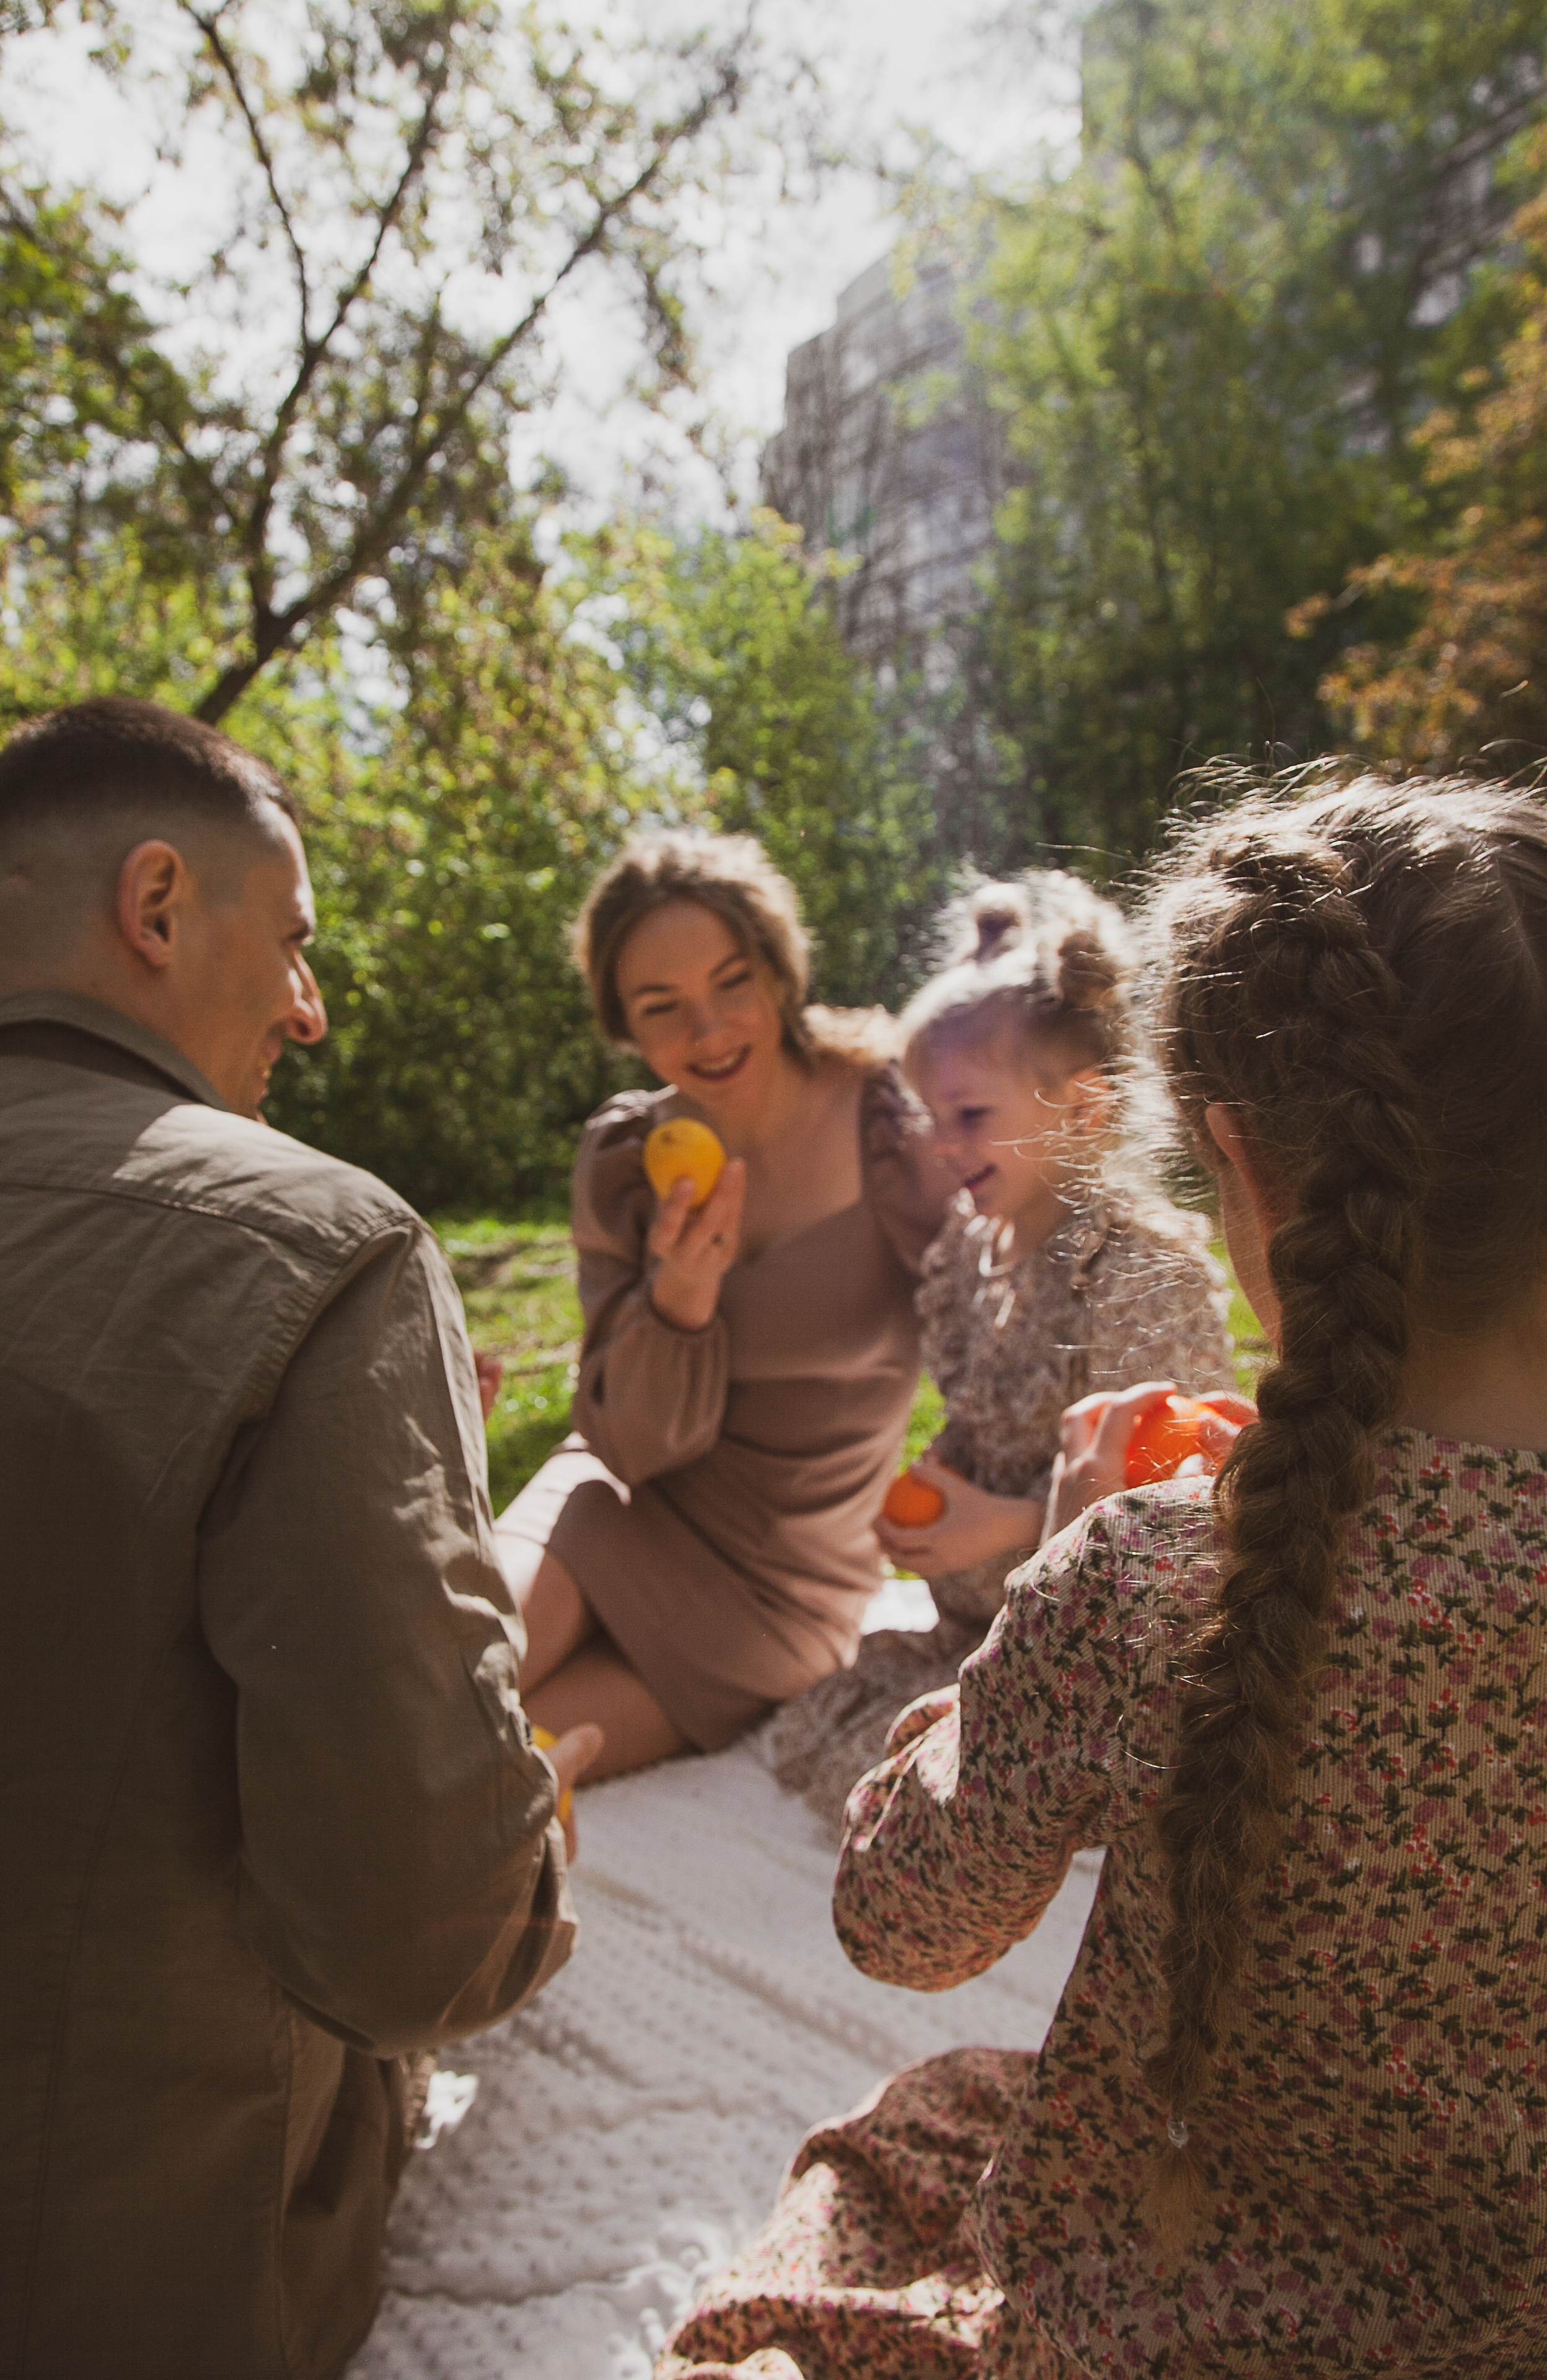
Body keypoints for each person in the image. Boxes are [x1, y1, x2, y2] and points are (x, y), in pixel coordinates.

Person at [659, 771, 1547, 2379]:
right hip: (1500, 2308)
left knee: (901, 2139)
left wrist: (1038, 1603)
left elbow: (904, 1925)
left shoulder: (1147, 1580)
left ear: (1249, 1181)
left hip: (1146, 2284)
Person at [0, 698, 596, 2380]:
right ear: (158, 907)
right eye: (296, 943)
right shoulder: (316, 1246)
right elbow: (422, 1941)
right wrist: (530, 1860)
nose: (308, 1010)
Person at [768, 873, 1236, 1828]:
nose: (942, 1147)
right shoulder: (968, 1256)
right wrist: (947, 1476)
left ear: (1083, 1106)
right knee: (829, 1724)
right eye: (927, 1119)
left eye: (972, 1117)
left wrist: (1011, 1525)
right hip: (989, 1628)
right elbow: (986, 1413)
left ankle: (1044, 1779)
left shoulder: (1134, 1272)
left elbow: (1180, 1512)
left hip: (1105, 1649)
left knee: (941, 1779)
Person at [494, 829, 946, 1780]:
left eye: (732, 983)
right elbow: (629, 1445)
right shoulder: (625, 1160)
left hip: (781, 1591)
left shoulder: (894, 1117)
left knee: (497, 1781)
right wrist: (680, 1301)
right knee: (426, 1700)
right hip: (613, 1496)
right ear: (624, 1023)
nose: (709, 1033)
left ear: (780, 971)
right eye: (662, 1007)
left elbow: (1000, 1324)